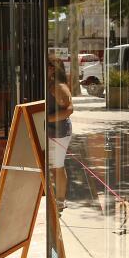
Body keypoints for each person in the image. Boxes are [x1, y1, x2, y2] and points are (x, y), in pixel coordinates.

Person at [46, 56, 74, 209]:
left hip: (60, 132)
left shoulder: (58, 86)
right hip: (53, 131)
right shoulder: (51, 84)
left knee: (58, 166)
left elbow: (69, 110)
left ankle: (61, 200)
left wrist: (47, 119)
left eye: (49, 65)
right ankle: (57, 198)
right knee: (54, 166)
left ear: (53, 69)